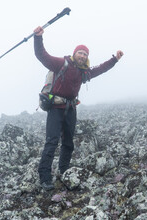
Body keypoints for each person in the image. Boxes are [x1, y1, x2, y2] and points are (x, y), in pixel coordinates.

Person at [33, 26, 124, 190]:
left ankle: (64, 171)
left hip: (71, 109)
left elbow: (100, 69)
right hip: (55, 108)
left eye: (85, 54)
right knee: (52, 142)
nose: (82, 56)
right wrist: (38, 38)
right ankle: (45, 177)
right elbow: (42, 56)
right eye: (80, 53)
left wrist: (114, 60)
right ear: (74, 54)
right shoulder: (62, 63)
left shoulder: (84, 72)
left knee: (68, 142)